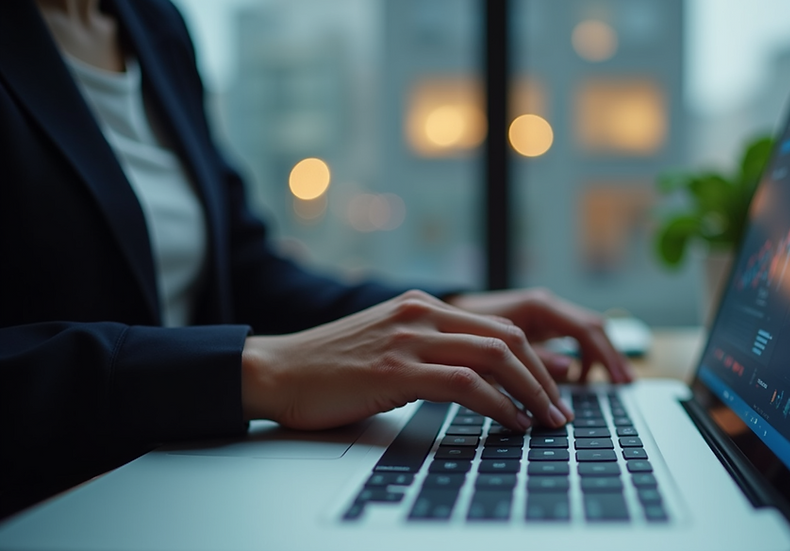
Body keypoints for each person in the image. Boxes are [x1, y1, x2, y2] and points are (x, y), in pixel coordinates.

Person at [0, 0, 632, 519]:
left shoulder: (151, 23)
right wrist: (260, 370)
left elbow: (245, 272)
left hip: (184, 485)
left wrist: (449, 314)